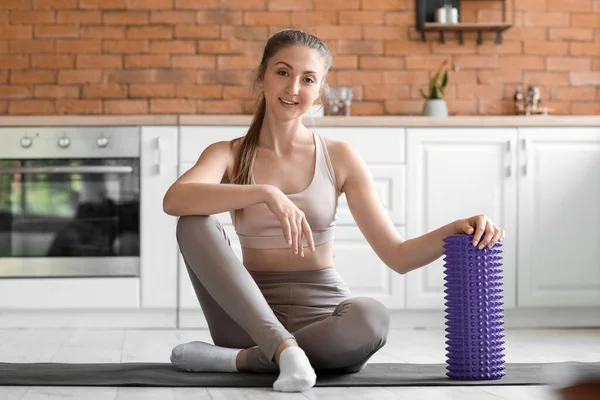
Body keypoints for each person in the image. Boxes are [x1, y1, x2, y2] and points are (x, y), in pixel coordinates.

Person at [162, 29, 505, 393]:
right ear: (261, 76)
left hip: (322, 320)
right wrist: (265, 193)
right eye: (282, 72)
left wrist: (456, 228)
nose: (293, 88)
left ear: (320, 89)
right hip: (246, 316)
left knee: (372, 317)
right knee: (192, 222)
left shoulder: (339, 157)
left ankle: (245, 360)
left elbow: (398, 256)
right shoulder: (227, 153)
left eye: (308, 79)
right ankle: (281, 351)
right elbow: (174, 200)